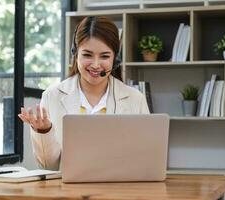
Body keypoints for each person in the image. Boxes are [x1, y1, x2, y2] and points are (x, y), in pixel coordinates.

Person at [18, 16, 150, 170]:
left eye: (105, 56)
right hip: (68, 191)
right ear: (75, 53)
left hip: (118, 189)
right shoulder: (51, 96)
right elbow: (49, 167)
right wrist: (43, 131)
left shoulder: (135, 99)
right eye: (87, 55)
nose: (95, 65)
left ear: (116, 59)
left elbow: (144, 161)